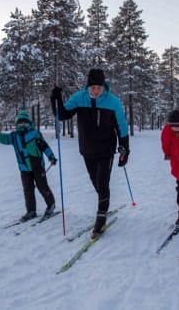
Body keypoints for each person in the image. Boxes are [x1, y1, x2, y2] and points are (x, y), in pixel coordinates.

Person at [50, 68, 129, 238]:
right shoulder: (79, 98)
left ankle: (100, 218)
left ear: (103, 86)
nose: (95, 91)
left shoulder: (113, 102)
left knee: (102, 183)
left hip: (106, 149)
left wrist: (125, 149)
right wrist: (55, 97)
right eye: (92, 87)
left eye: (99, 88)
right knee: (96, 183)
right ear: (88, 86)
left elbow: (121, 126)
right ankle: (104, 201)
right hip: (87, 150)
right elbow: (62, 115)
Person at [0, 110, 57, 222]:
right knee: (28, 190)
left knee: (42, 187)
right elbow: (5, 139)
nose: (21, 124)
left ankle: (51, 205)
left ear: (28, 122)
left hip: (37, 166)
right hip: (24, 168)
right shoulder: (14, 136)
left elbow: (44, 146)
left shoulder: (34, 133)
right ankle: (31, 211)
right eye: (19, 122)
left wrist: (51, 157)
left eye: (24, 122)